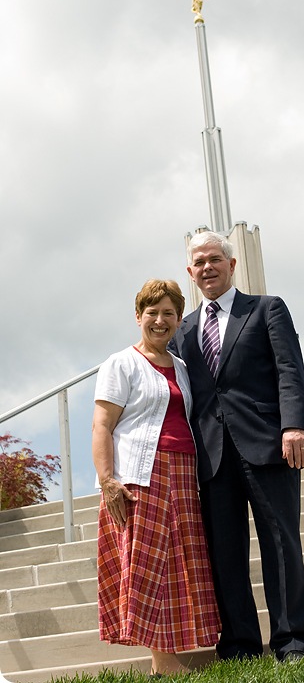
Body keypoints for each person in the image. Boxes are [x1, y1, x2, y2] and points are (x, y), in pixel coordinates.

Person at [169, 231, 304, 663]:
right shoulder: (184, 330)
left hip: (269, 446)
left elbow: (290, 368)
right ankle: (239, 645)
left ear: (232, 265)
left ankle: (293, 641)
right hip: (211, 458)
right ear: (190, 272)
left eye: (215, 259)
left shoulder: (267, 309)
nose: (208, 267)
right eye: (199, 262)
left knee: (281, 544)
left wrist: (294, 426)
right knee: (225, 555)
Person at [92, 279, 220, 677]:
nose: (160, 320)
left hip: (183, 474)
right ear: (138, 317)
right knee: (148, 565)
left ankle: (167, 659)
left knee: (177, 563)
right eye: (153, 313)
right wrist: (108, 481)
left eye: (169, 314)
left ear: (179, 320)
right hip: (140, 475)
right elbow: (101, 426)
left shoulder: (181, 367)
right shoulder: (121, 363)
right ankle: (163, 662)